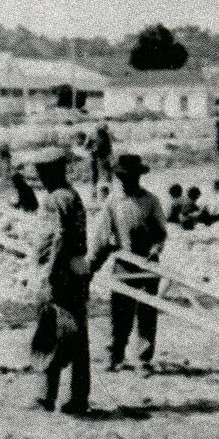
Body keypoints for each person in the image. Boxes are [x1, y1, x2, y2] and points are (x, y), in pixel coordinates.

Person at [90, 154, 168, 374]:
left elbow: (161, 233)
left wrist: (155, 250)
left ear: (138, 176)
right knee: (119, 312)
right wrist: (92, 265)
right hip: (124, 263)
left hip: (147, 264)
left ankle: (143, 359)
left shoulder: (151, 201)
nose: (125, 180)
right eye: (122, 177)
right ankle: (115, 355)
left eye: (130, 176)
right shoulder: (113, 202)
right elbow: (102, 237)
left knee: (146, 313)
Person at [30, 147, 92, 414]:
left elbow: (58, 238)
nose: (40, 178)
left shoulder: (54, 199)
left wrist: (49, 274)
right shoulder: (71, 195)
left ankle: (46, 396)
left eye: (41, 172)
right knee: (76, 334)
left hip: (61, 273)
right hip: (76, 270)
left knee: (52, 330)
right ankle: (78, 397)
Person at [87, 123, 114, 188]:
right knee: (106, 170)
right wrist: (109, 155)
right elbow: (109, 148)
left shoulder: (93, 135)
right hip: (100, 155)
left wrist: (91, 149)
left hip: (96, 155)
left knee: (97, 172)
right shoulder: (105, 136)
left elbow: (87, 146)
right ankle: (107, 185)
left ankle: (95, 186)